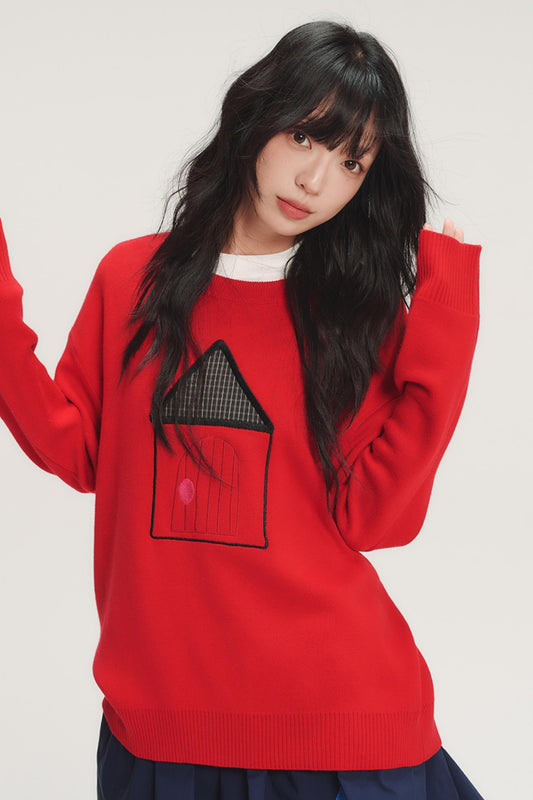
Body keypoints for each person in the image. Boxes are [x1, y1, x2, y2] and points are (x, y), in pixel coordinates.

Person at [0, 18, 485, 800]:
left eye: (351, 162)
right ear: (257, 117)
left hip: (343, 731)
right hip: (161, 730)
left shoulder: (355, 317)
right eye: (304, 136)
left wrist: (446, 330)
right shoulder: (132, 280)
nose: (315, 179)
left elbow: (377, 520)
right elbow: (76, 448)